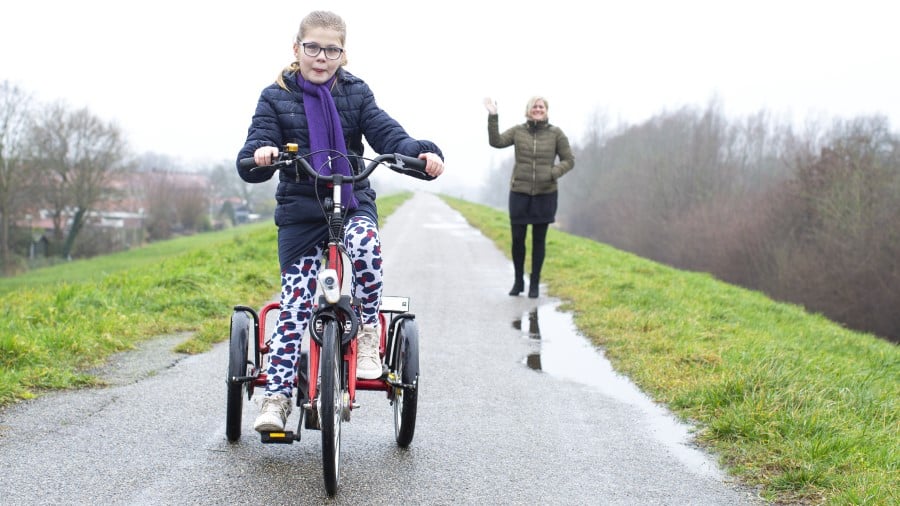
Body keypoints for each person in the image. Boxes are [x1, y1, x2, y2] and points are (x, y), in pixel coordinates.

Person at [237, 10, 444, 433]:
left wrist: (419, 153)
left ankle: (368, 332)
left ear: (343, 55)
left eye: (331, 49)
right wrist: (262, 154)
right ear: (296, 49)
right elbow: (258, 140)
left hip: (350, 199)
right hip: (301, 208)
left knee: (366, 247)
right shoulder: (275, 97)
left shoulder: (356, 93)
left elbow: (387, 135)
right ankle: (276, 398)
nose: (321, 57)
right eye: (312, 47)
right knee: (295, 302)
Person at [484, 96, 574, 298]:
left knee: (539, 241)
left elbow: (569, 160)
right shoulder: (518, 131)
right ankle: (518, 282)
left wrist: (554, 172)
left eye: (541, 107)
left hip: (546, 194)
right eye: (535, 106)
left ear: (546, 110)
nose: (538, 109)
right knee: (518, 240)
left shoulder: (556, 134)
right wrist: (493, 116)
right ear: (528, 110)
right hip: (519, 193)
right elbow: (496, 141)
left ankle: (534, 284)